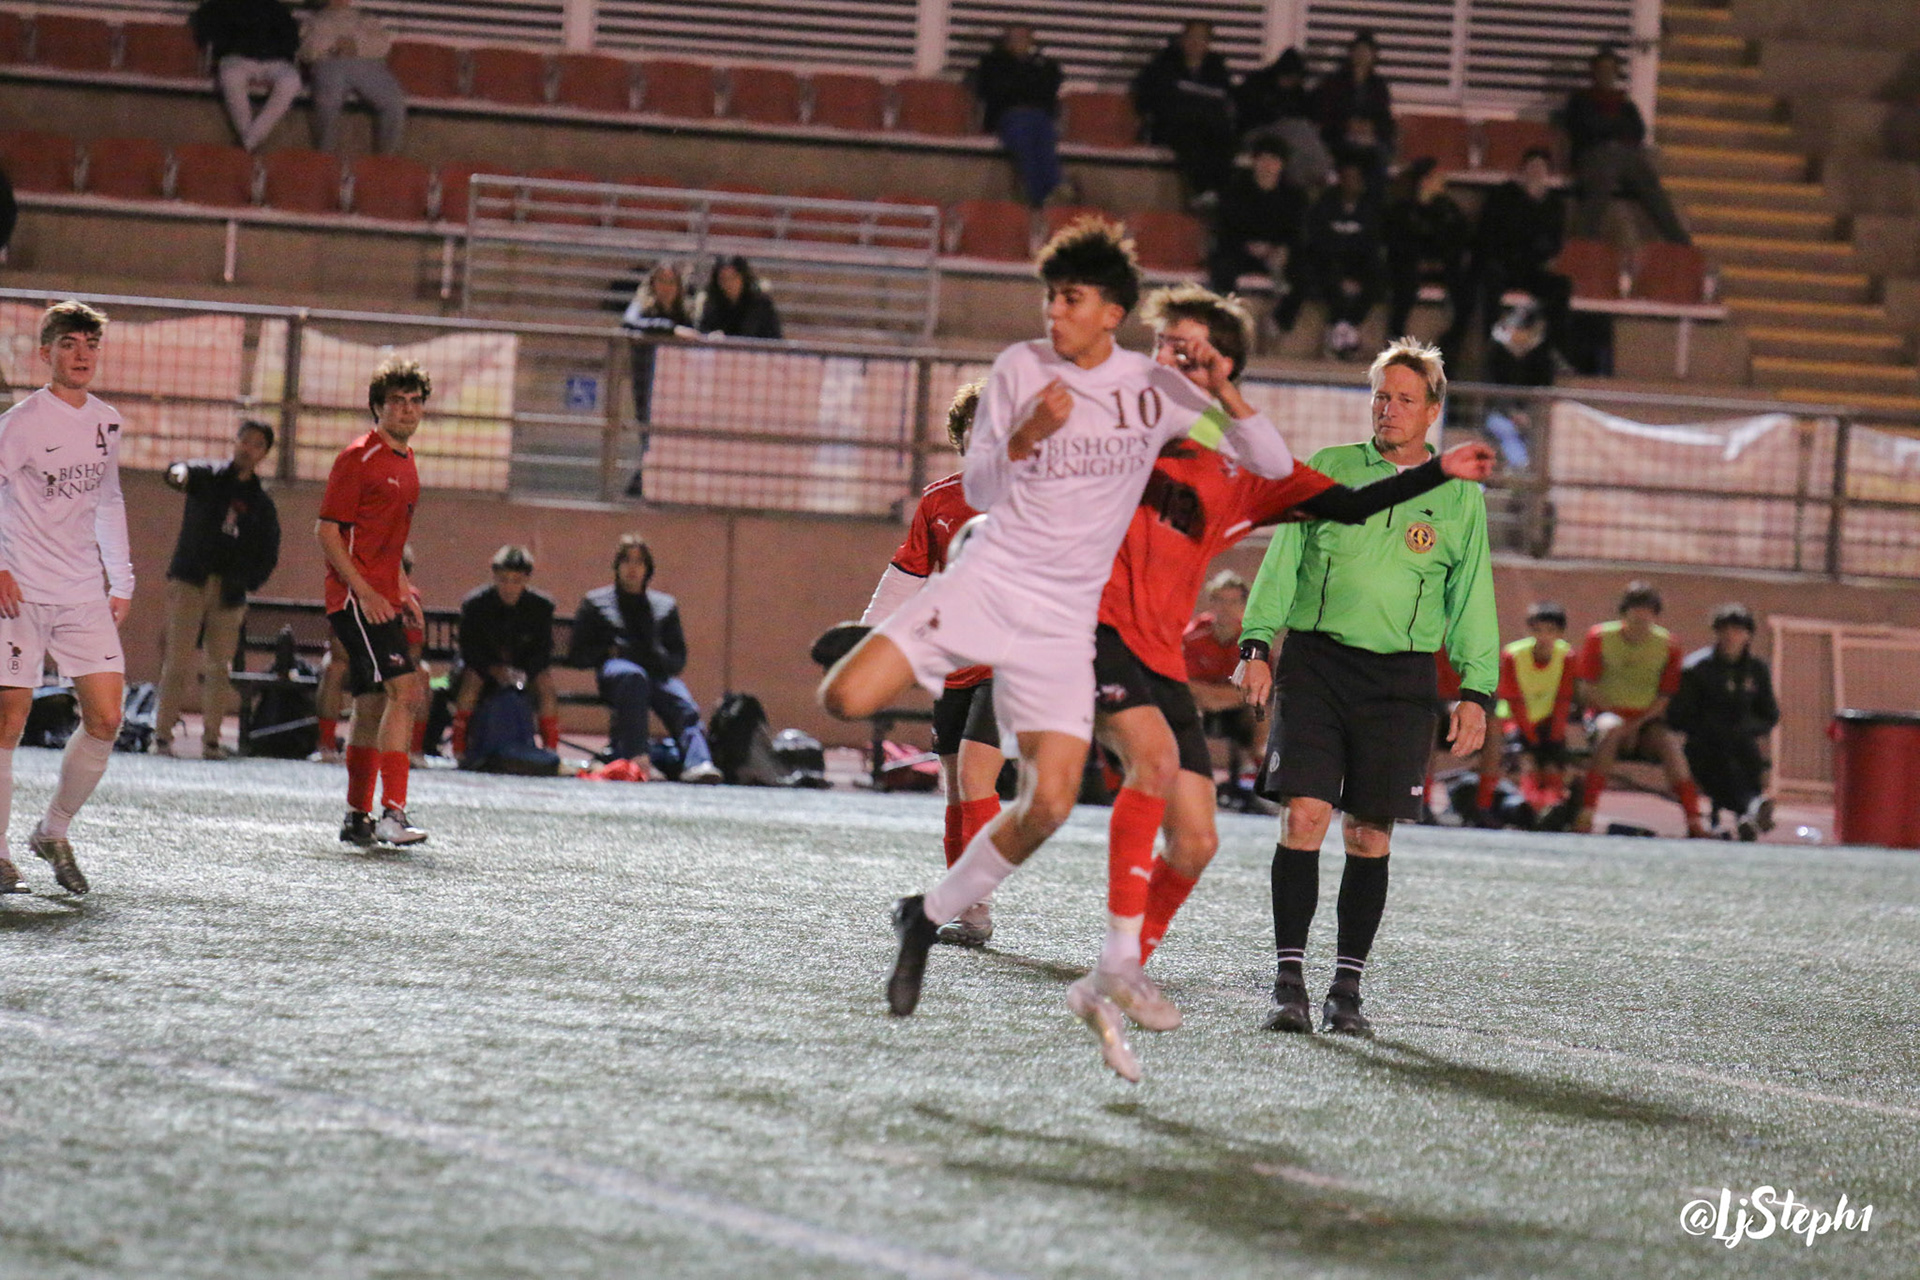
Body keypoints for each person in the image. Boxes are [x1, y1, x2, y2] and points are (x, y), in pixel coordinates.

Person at [817, 218, 1296, 1083]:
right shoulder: (1036, 376)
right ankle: (890, 650)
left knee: (1054, 804)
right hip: (1009, 589)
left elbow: (1265, 462)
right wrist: (1028, 437)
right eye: (1050, 298)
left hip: (1071, 625)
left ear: (1112, 312)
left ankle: (934, 914)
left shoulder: (1161, 403)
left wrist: (1224, 393)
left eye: (1069, 298)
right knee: (850, 702)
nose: (1053, 313)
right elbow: (986, 483)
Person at [1236, 337, 1498, 1038]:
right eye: (1381, 395)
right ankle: (1288, 982)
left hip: (1400, 680)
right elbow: (1282, 558)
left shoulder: (1459, 496)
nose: (1388, 409)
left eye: (1405, 399)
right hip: (1317, 666)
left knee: (1369, 834)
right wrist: (1256, 644)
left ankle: (1345, 990)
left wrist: (1478, 689)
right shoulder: (1329, 468)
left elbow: (1472, 595)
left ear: (1432, 411)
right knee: (1304, 817)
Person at [856, 381, 1005, 946]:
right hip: (955, 664)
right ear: (959, 436)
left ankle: (974, 903)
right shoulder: (939, 501)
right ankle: (969, 911)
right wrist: (862, 640)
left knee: (973, 775)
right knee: (954, 787)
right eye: (973, 427)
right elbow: (906, 576)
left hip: (1010, 665)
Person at [0, 302, 134, 897]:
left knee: (106, 717)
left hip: (81, 590)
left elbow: (108, 499)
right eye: (69, 344)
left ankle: (52, 831)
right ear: (45, 353)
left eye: (90, 345)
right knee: (8, 720)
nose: (81, 355)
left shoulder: (107, 421)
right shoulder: (21, 422)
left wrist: (121, 579)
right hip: (21, 591)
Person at [317, 358, 432, 848]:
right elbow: (327, 532)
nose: (407, 409)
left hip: (381, 597)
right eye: (397, 401)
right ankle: (393, 813)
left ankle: (357, 816)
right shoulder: (357, 458)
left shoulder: (406, 462)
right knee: (406, 692)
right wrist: (364, 593)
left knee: (370, 704)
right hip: (357, 599)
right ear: (377, 407)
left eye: (415, 401)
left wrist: (402, 589)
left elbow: (389, 540)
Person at [154, 419, 281, 759]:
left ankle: (211, 741)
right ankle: (161, 737)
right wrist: (177, 472)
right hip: (190, 581)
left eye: (257, 444)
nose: (248, 448)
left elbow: (269, 552)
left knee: (219, 668)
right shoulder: (208, 477)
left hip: (230, 592)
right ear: (235, 441)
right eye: (245, 440)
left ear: (265, 453)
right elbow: (181, 472)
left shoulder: (261, 502)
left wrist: (248, 582)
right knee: (177, 661)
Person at [567, 533, 721, 783]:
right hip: (618, 673)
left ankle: (699, 762)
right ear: (617, 566)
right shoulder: (596, 603)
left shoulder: (664, 606)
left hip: (656, 673)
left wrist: (657, 655)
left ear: (648, 569)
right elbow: (578, 653)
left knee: (681, 700)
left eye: (639, 562)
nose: (632, 568)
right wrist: (610, 651)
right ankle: (638, 759)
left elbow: (677, 659)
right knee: (633, 677)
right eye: (626, 561)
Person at [1570, 580, 1706, 837]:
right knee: (1611, 730)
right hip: (1606, 715)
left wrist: (1636, 724)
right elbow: (1587, 688)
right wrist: (1619, 719)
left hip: (1646, 721)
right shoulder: (1599, 637)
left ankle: (1694, 818)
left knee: (1670, 744)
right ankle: (1586, 811)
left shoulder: (1668, 645)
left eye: (1647, 613)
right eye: (1635, 612)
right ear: (1624, 613)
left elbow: (1664, 697)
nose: (1641, 620)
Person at [1667, 603, 1779, 840]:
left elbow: (1769, 714)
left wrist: (1746, 727)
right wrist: (1711, 727)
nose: (1730, 636)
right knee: (1721, 760)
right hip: (1703, 745)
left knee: (1745, 755)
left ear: (1748, 636)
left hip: (1742, 743)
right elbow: (1678, 715)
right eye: (1725, 630)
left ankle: (1749, 812)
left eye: (1737, 631)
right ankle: (1751, 809)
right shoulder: (1697, 668)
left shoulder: (1757, 670)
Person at [1557, 47, 1691, 244]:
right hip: (1594, 155)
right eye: (1602, 69)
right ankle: (1582, 244)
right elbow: (1585, 128)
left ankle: (1680, 243)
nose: (1606, 74)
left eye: (1611, 70)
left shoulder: (1625, 104)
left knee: (1651, 186)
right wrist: (1616, 128)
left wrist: (1607, 127)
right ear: (1593, 72)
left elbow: (1638, 131)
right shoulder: (1580, 100)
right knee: (1599, 185)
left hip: (1625, 155)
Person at [450, 545, 558, 762]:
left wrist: (525, 672)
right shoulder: (476, 604)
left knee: (545, 684)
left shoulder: (541, 607)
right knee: (472, 680)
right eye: (503, 580)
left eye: (516, 581)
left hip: (523, 670)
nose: (509, 587)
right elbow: (469, 648)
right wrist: (493, 669)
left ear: (526, 579)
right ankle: (458, 746)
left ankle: (550, 748)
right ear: (495, 577)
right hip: (482, 668)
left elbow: (543, 649)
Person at [1470, 600, 1575, 824]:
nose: (1543, 636)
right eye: (1537, 630)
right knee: (1525, 759)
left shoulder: (1567, 656)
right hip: (1514, 721)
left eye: (1550, 630)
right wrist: (1531, 737)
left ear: (1560, 632)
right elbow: (1513, 699)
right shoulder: (1513, 654)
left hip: (1547, 722)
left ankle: (1550, 808)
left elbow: (1564, 698)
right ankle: (1486, 806)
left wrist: (1554, 736)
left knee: (1553, 763)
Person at [1278, 151, 1383, 360]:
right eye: (1347, 177)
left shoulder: (1370, 208)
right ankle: (1342, 329)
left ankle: (1346, 325)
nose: (1351, 183)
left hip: (1358, 262)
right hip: (1328, 261)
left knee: (1378, 275)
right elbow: (1318, 241)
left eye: (1356, 178)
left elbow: (1372, 243)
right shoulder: (1324, 205)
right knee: (1327, 272)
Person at [1131, 20, 1237, 203]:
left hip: (1209, 126)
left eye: (1202, 38)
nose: (1196, 42)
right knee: (1191, 139)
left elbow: (1226, 98)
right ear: (1182, 39)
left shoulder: (1216, 66)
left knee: (1225, 140)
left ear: (1208, 43)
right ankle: (1200, 192)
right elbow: (1146, 97)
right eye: (1191, 37)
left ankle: (1220, 195)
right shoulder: (1164, 63)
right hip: (1172, 127)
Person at [1182, 571, 1259, 806]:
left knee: (1261, 712)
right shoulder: (1193, 635)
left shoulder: (1252, 638)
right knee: (1184, 709)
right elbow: (1181, 682)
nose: (1226, 608)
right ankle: (1188, 780)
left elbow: (1253, 688)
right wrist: (1213, 697)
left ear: (1244, 604)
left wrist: (1215, 697)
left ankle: (1264, 780)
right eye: (1220, 600)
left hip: (1238, 708)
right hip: (1199, 705)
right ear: (1211, 601)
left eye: (1233, 601)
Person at [1384, 158, 1473, 359]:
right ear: (1424, 180)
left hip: (1443, 265)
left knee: (1464, 287)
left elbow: (1459, 238)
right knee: (1404, 282)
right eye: (1436, 177)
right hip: (1409, 264)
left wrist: (1441, 259)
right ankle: (1395, 336)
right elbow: (1397, 240)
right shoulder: (1403, 208)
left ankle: (1453, 339)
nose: (1442, 181)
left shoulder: (1448, 208)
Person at [620, 263, 694, 498]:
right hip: (647, 380)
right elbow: (629, 323)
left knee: (665, 439)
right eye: (661, 281)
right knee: (650, 437)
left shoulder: (685, 312)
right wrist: (670, 330)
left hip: (677, 385)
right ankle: (638, 490)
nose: (666, 287)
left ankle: (642, 489)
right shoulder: (642, 306)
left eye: (671, 282)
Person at [190, 0, 303, 153]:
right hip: (238, 57)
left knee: (291, 81)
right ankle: (250, 140)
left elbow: (291, 40)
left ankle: (248, 142)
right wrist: (227, 46)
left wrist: (274, 50)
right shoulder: (223, 5)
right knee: (230, 75)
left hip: (273, 59)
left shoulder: (275, 7)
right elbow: (205, 23)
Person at [973, 24, 1066, 209]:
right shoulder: (993, 62)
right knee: (1024, 140)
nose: (1019, 43)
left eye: (1023, 39)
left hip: (1038, 116)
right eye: (1014, 39)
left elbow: (1049, 89)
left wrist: (1023, 83)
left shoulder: (1043, 64)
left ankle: (1053, 187)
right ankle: (1042, 193)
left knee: (1045, 139)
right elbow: (996, 91)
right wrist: (1024, 83)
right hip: (1009, 115)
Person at [300, 0, 407, 154]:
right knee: (328, 102)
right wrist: (334, 45)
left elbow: (383, 46)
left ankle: (386, 159)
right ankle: (325, 156)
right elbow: (305, 52)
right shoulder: (315, 21)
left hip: (364, 64)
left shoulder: (366, 18)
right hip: (330, 62)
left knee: (394, 101)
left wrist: (356, 45)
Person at [1205, 137, 1307, 297]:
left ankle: (1282, 313)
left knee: (1303, 271)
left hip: (1276, 254)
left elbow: (1297, 231)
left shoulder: (1294, 195)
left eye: (1273, 160)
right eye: (1263, 160)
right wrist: (1248, 245)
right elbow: (1225, 228)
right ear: (1254, 161)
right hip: (1240, 251)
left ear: (1282, 164)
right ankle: (1227, 307)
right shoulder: (1235, 190)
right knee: (1222, 266)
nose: (1267, 166)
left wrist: (1280, 248)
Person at [1233, 47, 1330, 191]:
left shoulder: (1297, 92)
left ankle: (1308, 181)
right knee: (1297, 130)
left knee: (1300, 141)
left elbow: (1307, 115)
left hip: (1288, 137)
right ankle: (1314, 177)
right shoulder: (1256, 84)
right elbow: (1246, 115)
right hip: (1255, 134)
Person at [1312, 30, 1396, 180]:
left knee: (1379, 154)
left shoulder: (1378, 85)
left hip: (1370, 139)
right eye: (1358, 50)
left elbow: (1385, 118)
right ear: (1351, 53)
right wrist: (1347, 125)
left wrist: (1371, 127)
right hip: (1340, 137)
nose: (1362, 55)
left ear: (1374, 56)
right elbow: (1325, 114)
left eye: (1367, 51)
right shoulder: (1334, 82)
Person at [696, 257, 782, 340]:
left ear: (743, 277)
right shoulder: (712, 303)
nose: (729, 283)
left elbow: (774, 337)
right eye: (723, 278)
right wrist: (711, 336)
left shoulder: (761, 304)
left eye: (734, 277)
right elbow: (702, 332)